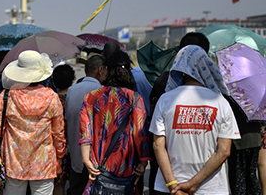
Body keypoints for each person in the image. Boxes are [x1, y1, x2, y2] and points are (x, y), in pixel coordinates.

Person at [150, 45, 240, 194]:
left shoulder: (165, 100)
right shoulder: (221, 102)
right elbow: (224, 151)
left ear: (182, 69)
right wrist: (193, 184)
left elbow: (158, 146)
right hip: (210, 188)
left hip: (170, 187)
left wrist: (173, 185)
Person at [0, 50, 66, 195]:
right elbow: (58, 133)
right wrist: (60, 155)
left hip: (14, 161)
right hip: (43, 163)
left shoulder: (7, 96)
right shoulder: (52, 97)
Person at [79, 50, 149, 195]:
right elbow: (140, 135)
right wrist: (142, 163)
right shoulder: (135, 99)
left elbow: (85, 132)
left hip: (99, 170)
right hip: (126, 170)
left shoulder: (91, 97)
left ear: (106, 70)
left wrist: (86, 161)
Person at [65, 55, 107, 195]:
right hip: (96, 159)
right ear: (100, 70)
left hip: (76, 157)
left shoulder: (72, 91)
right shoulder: (102, 91)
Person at [49, 64, 76, 195]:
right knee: (75, 183)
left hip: (56, 148)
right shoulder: (75, 99)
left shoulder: (51, 100)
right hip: (74, 147)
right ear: (72, 79)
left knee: (58, 184)